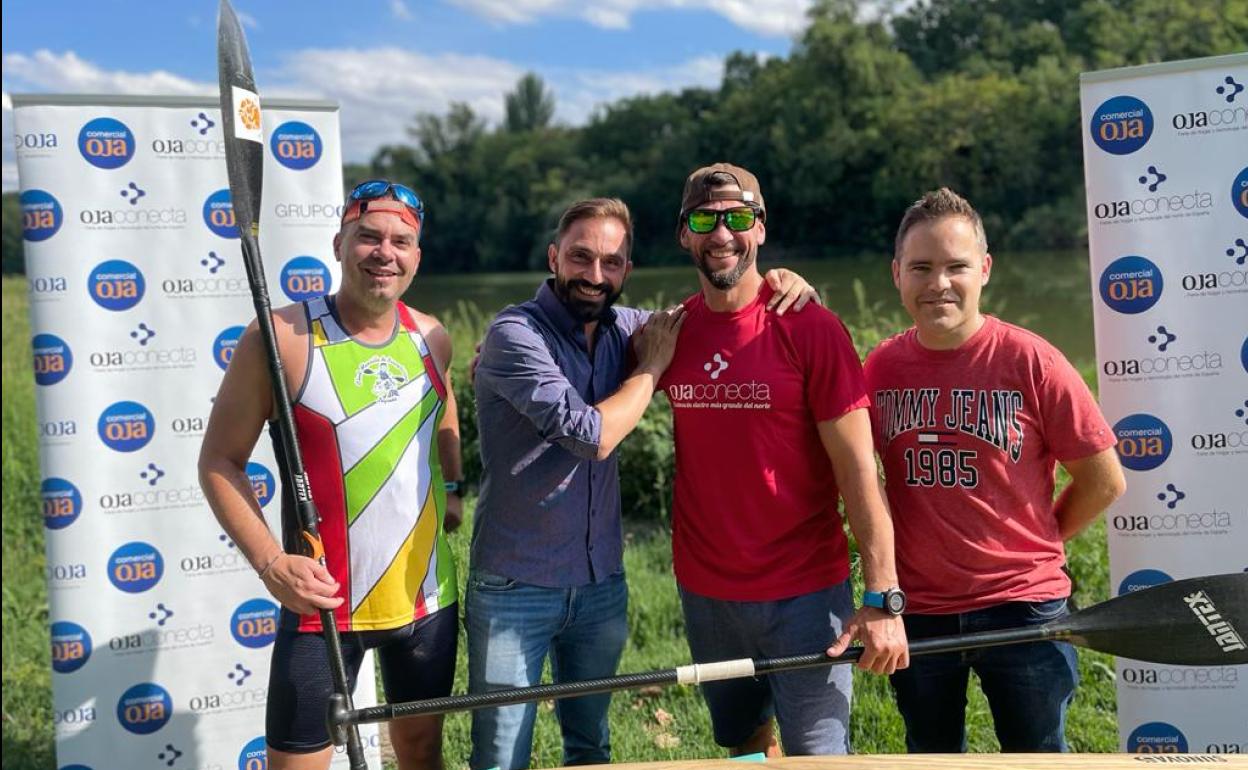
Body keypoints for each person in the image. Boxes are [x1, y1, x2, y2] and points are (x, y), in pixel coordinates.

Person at [469, 197, 818, 770]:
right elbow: (591, 435)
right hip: (516, 584)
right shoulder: (514, 334)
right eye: (581, 258)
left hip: (600, 581)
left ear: (627, 271)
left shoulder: (625, 328)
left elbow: (714, 322)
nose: (594, 275)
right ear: (554, 257)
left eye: (611, 262)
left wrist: (783, 288)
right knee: (502, 753)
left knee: (592, 746)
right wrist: (651, 369)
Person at [199, 180, 462, 770]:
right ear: (339, 242)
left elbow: (444, 406)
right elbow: (219, 461)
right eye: (368, 236)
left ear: (417, 257)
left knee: (421, 751)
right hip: (320, 607)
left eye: (401, 241)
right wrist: (271, 562)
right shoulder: (281, 338)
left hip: (425, 601)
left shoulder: (433, 337)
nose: (384, 252)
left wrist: (453, 485)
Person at [865, 187, 1126, 752]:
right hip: (921, 607)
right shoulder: (880, 367)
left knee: (1036, 756)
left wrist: (1039, 540)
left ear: (984, 269)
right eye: (921, 267)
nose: (939, 283)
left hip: (1024, 608)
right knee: (931, 755)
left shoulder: (1032, 360)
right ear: (896, 274)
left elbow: (1104, 479)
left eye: (956, 266)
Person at [660, 163, 908, 758]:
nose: (722, 233)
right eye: (704, 219)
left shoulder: (812, 328)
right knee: (745, 744)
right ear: (684, 235)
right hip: (706, 593)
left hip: (804, 594)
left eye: (738, 217)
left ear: (761, 228)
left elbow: (858, 472)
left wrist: (883, 595)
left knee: (819, 754)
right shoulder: (665, 334)